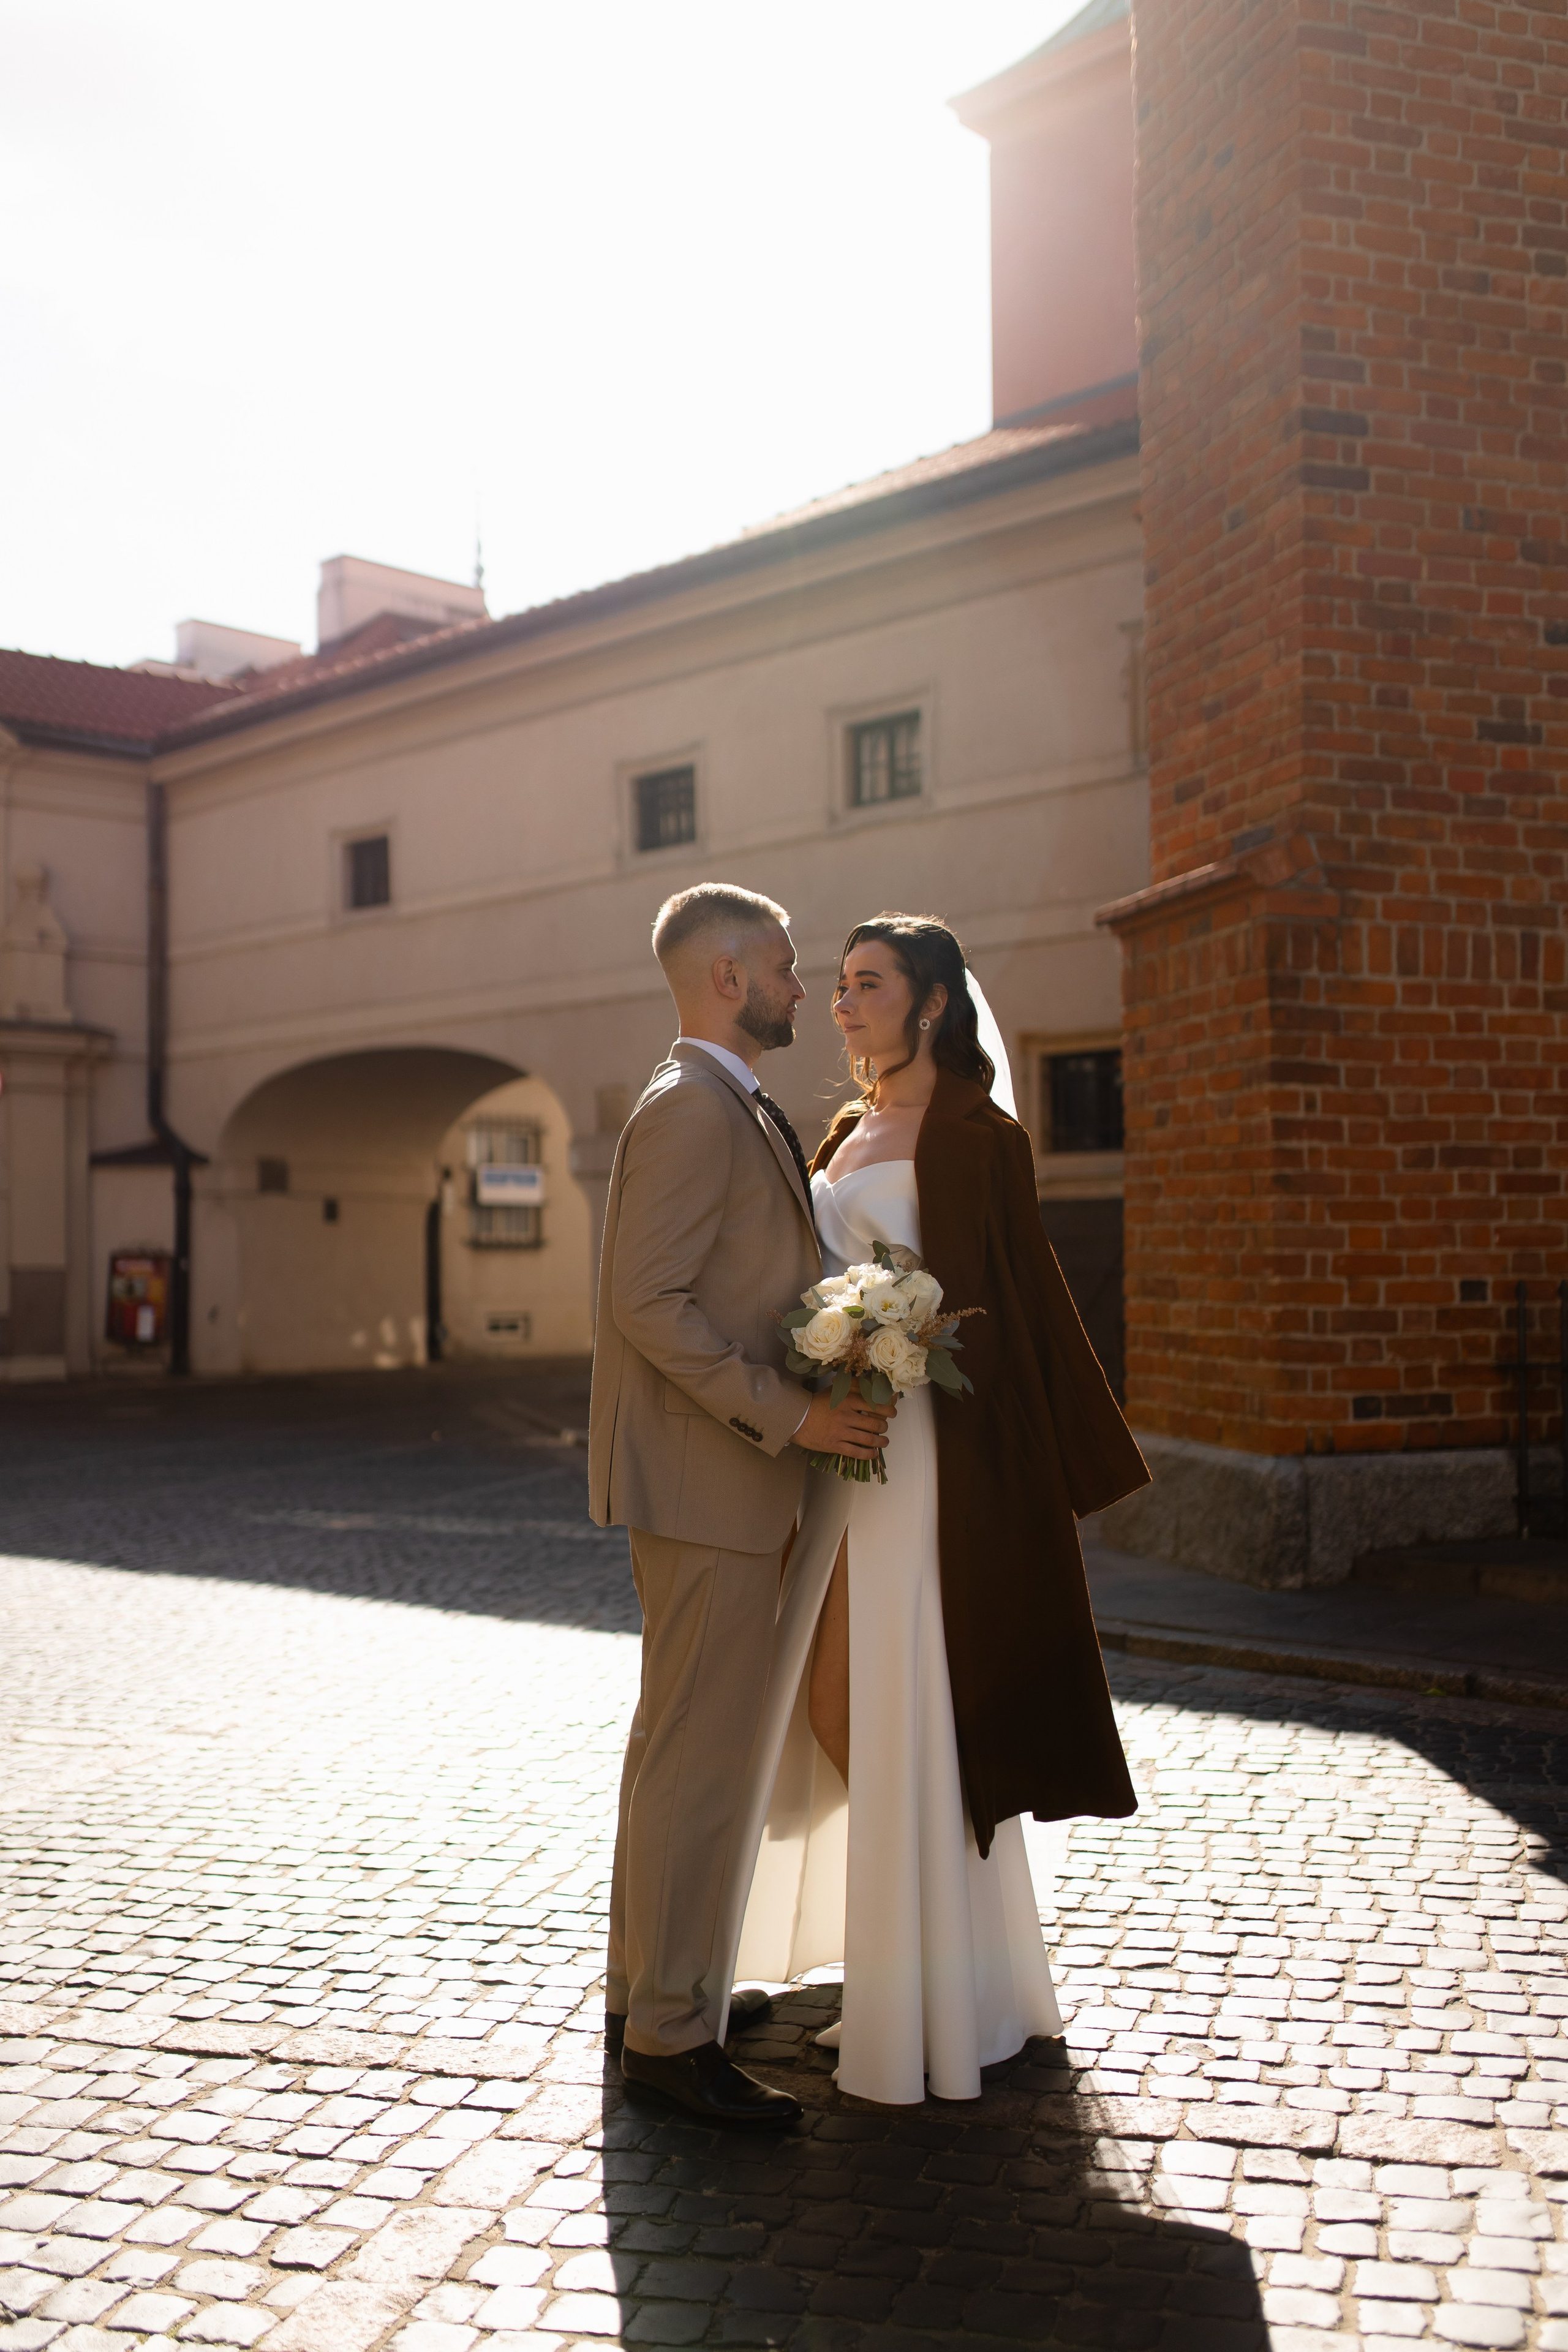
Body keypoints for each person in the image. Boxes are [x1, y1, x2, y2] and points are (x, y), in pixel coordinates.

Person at [715, 913, 1150, 2105]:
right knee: (834, 1703)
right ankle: (906, 1964)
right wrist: (823, 1354)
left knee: (906, 1703)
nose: (843, 1002)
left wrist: (913, 1343)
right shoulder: (842, 1132)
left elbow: (1014, 1302)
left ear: (933, 1003)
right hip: (841, 1453)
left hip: (932, 1462)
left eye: (869, 983)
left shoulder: (981, 1137)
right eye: (840, 983)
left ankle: (933, 1994)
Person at [588, 881, 893, 2126]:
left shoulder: (726, 1099)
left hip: (714, 1484)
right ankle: (670, 2040)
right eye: (782, 964)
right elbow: (645, 1304)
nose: (798, 985)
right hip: (709, 1482)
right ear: (726, 977)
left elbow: (737, 1281)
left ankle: (648, 1991)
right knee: (700, 1761)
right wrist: (793, 1415)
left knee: (675, 1748)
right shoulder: (690, 1108)